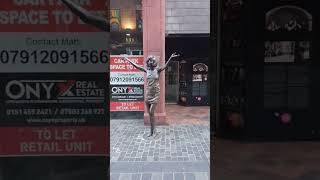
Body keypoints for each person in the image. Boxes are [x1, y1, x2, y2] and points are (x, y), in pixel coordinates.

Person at [123, 53, 180, 137]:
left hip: (155, 93)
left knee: (151, 112)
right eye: (149, 60)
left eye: (152, 60)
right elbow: (137, 66)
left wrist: (170, 58)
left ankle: (153, 131)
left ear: (154, 62)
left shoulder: (158, 70)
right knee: (150, 115)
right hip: (148, 93)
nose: (150, 61)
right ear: (148, 62)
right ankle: (152, 131)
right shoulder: (147, 70)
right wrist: (128, 60)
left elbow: (165, 66)